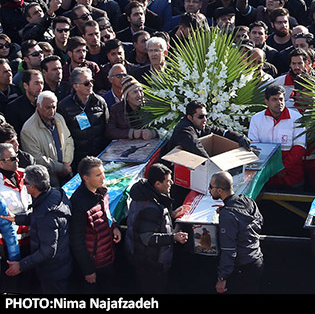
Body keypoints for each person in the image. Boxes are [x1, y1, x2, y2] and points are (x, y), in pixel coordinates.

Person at [2, 165, 72, 293]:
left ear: (32, 187)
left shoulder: (45, 215)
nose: (23, 185)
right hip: (62, 264)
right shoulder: (55, 195)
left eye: (25, 182)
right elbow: (38, 216)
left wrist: (21, 266)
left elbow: (48, 251)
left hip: (52, 272)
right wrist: (17, 219)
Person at [125, 163, 188, 293]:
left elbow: (151, 222)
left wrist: (171, 215)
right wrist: (174, 237)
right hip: (150, 262)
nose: (171, 182)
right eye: (167, 181)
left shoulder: (146, 196)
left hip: (143, 258)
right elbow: (147, 238)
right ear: (157, 184)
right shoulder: (150, 207)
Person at [69, 156, 122, 290]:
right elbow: (77, 241)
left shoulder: (101, 192)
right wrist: (88, 270)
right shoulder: (78, 203)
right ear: (85, 178)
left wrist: (114, 226)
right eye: (98, 175)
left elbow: (107, 213)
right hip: (94, 264)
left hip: (108, 257)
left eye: (103, 173)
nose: (103, 178)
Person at [210, 171, 263, 294]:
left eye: (211, 187)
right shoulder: (247, 201)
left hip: (242, 268)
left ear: (219, 191)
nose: (209, 189)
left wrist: (222, 277)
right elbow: (259, 221)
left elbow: (229, 249)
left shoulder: (228, 215)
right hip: (257, 260)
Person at [248, 84, 306, 190]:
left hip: (292, 176)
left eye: (281, 99)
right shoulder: (256, 119)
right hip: (266, 177)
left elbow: (300, 147)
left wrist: (281, 167)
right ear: (266, 102)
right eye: (274, 99)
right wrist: (271, 169)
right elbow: (254, 148)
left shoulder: (297, 118)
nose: (279, 103)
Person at [20, 91, 74, 188]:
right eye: (48, 107)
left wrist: (67, 162)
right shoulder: (28, 129)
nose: (52, 111)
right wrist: (60, 167)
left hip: (66, 172)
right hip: (48, 180)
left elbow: (68, 139)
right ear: (38, 106)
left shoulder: (59, 118)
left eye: (54, 107)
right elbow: (36, 158)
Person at [168, 99, 251, 157]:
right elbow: (196, 146)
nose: (205, 119)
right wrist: (211, 164)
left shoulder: (200, 125)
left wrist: (239, 137)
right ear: (190, 117)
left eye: (206, 116)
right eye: (201, 116)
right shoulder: (184, 129)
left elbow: (221, 132)